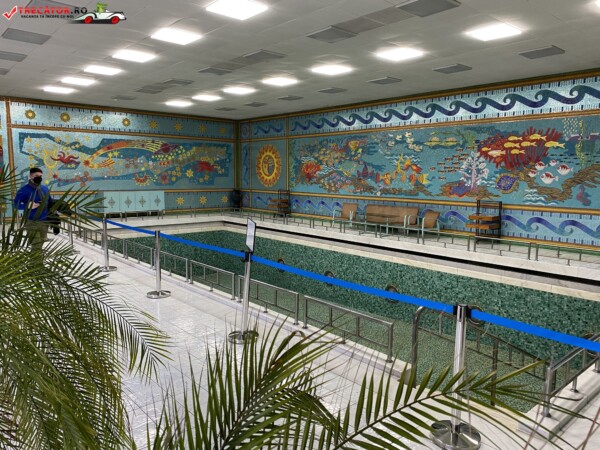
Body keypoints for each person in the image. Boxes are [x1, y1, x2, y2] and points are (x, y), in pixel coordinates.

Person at [14, 167, 53, 251]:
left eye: (40, 176)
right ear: (31, 176)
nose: (39, 178)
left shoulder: (45, 188)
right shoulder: (23, 190)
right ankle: (37, 260)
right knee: (36, 245)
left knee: (40, 243)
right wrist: (27, 206)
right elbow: (15, 204)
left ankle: (34, 258)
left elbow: (50, 201)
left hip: (44, 221)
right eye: (36, 176)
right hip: (31, 221)